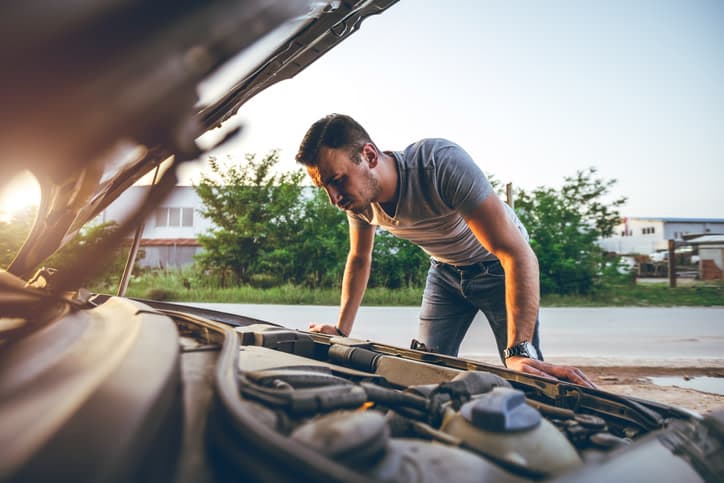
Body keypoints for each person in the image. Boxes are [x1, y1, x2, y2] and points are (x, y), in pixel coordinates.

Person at [295, 113, 596, 388]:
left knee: (526, 373)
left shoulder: (439, 164)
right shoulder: (358, 200)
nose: (334, 198)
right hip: (444, 272)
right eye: (325, 187)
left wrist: (518, 349)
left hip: (497, 266)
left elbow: (516, 253)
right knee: (425, 373)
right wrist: (341, 331)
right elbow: (359, 259)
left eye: (337, 181)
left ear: (369, 156)